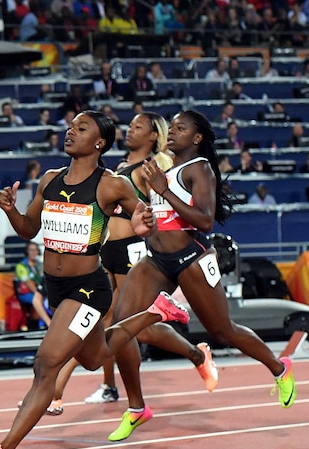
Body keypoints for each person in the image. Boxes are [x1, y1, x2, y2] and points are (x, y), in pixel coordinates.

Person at [0, 110, 191, 449]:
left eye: (81, 128)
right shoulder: (50, 181)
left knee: (45, 365)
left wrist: (141, 224)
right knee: (94, 357)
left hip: (88, 288)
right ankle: (156, 312)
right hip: (56, 288)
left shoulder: (111, 184)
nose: (71, 132)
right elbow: (28, 229)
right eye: (70, 127)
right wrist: (10, 211)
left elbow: (144, 219)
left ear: (99, 142)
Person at [106, 110, 297, 442]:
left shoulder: (199, 169)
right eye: (173, 127)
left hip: (192, 257)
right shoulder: (162, 170)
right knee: (120, 327)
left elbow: (205, 220)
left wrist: (164, 191)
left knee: (223, 331)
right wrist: (144, 219)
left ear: (196, 138)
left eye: (181, 128)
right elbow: (160, 215)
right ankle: (136, 408)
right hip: (156, 259)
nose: (173, 132)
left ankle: (280, 368)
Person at [79, 111, 219, 405]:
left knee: (115, 322)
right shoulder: (120, 166)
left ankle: (88, 388)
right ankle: (191, 354)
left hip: (135, 249)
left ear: (154, 135)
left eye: (137, 127)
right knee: (122, 324)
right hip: (110, 250)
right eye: (129, 125)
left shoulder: (157, 166)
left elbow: (167, 199)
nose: (129, 130)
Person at [14, 241, 52, 329]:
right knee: (38, 300)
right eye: (31, 250)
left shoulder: (40, 265)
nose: (33, 253)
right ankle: (39, 324)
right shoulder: (21, 266)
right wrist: (40, 293)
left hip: (40, 290)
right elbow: (28, 283)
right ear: (27, 252)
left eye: (35, 250)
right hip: (26, 293)